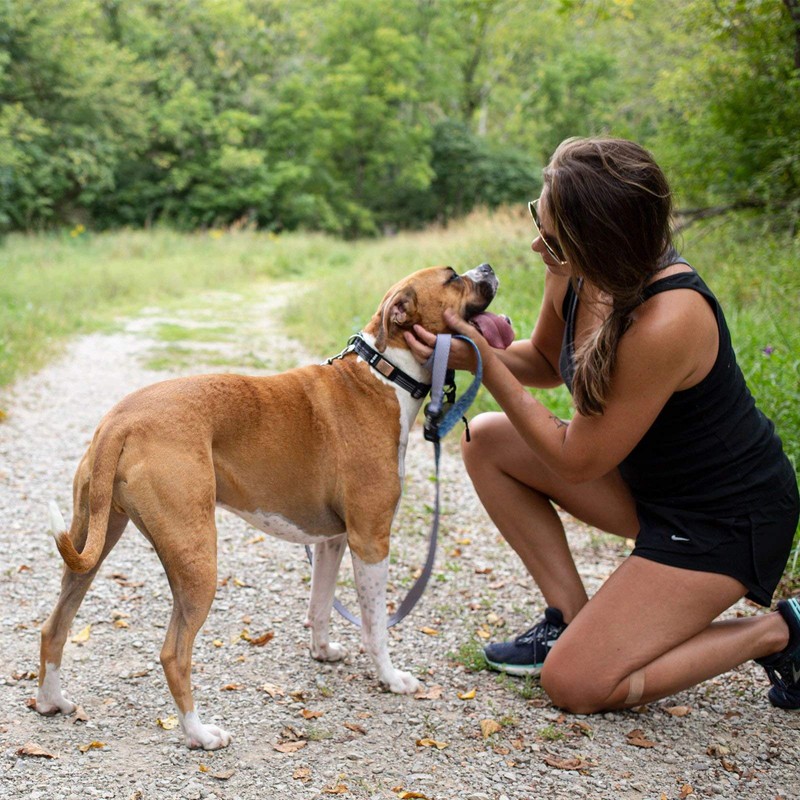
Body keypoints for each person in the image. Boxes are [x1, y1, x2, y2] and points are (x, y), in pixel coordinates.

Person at [404, 137, 800, 714]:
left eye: (554, 234)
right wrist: (460, 351)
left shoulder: (669, 319)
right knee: (487, 439)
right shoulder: (575, 268)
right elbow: (541, 362)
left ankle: (781, 631)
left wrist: (484, 363)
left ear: (599, 239)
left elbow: (576, 459)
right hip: (650, 491)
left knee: (576, 686)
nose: (539, 242)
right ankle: (569, 621)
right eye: (539, 216)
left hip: (724, 519)